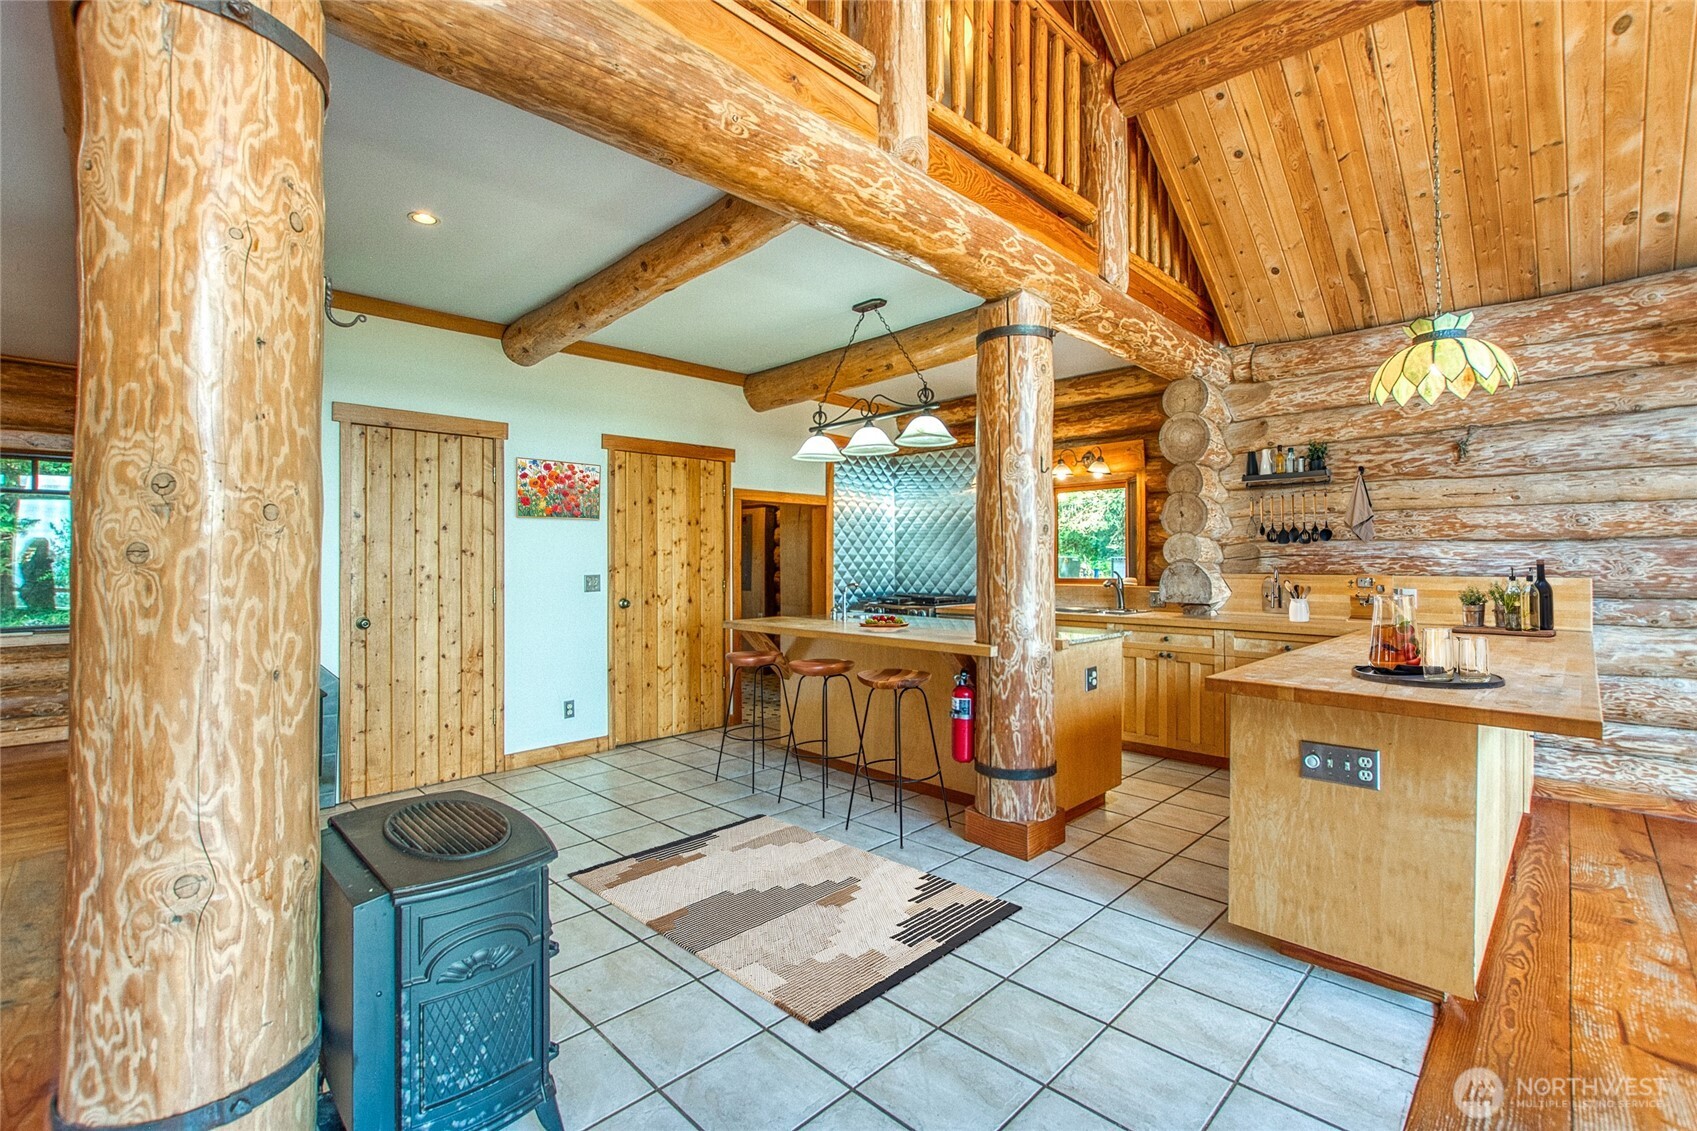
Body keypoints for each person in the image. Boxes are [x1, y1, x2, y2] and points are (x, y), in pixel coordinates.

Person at [18, 537, 56, 609]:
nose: (45, 551)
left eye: (45, 548)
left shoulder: (45, 563)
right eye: (43, 548)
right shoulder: (29, 563)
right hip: (34, 593)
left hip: (44, 592)